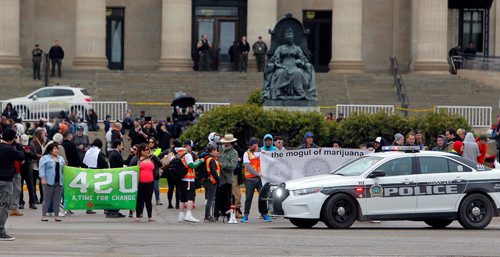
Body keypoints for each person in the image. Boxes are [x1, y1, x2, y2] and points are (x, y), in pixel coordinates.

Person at [262, 27, 316, 101]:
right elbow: (275, 60)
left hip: (295, 66)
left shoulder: (297, 48)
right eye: (287, 35)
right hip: (282, 66)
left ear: (293, 36)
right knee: (281, 73)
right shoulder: (280, 48)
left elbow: (304, 59)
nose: (289, 37)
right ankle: (278, 93)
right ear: (284, 37)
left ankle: (300, 92)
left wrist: (301, 63)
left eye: (290, 35)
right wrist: (281, 66)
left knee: (298, 73)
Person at [0, 129, 25, 241]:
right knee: (5, 206)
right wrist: (18, 144)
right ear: (12, 138)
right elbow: (21, 156)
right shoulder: (9, 149)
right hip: (5, 181)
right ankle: (1, 231)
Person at [241, 137, 271, 223]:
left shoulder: (262, 152)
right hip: (250, 179)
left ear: (256, 145)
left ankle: (264, 214)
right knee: (248, 197)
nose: (250, 146)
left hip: (260, 179)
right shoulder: (246, 154)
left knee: (263, 197)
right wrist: (257, 173)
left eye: (251, 145)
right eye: (249, 145)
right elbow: (248, 166)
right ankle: (246, 215)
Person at [130, 143, 161, 222]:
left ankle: (150, 216)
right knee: (140, 199)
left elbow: (160, 164)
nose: (146, 151)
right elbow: (130, 166)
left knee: (148, 200)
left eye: (148, 149)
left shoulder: (151, 158)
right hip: (140, 182)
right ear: (140, 151)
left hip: (150, 182)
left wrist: (154, 156)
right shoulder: (137, 158)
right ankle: (138, 216)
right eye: (144, 150)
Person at [177, 140, 204, 223]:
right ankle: (188, 215)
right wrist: (200, 161)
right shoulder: (187, 155)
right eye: (191, 146)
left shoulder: (179, 153)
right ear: (187, 146)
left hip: (182, 178)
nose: (192, 148)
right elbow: (192, 165)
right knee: (190, 197)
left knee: (182, 198)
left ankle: (181, 215)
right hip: (189, 179)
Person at [39, 142, 65, 222]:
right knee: (47, 199)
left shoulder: (60, 158)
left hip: (59, 181)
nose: (57, 150)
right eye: (55, 149)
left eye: (57, 149)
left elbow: (64, 169)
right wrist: (42, 177)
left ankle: (56, 215)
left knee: (57, 199)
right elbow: (42, 168)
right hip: (48, 181)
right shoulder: (45, 158)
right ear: (50, 150)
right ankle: (44, 215)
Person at [218, 134, 239, 219]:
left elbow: (233, 166)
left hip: (228, 178)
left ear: (231, 142)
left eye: (227, 142)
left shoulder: (234, 153)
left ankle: (228, 214)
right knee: (219, 196)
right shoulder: (220, 149)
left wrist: (222, 165)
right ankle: (220, 212)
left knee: (227, 197)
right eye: (225, 142)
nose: (225, 144)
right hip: (219, 177)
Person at [107, 140, 126, 218]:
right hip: (116, 177)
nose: (123, 147)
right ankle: (113, 210)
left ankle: (113, 210)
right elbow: (122, 163)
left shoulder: (112, 153)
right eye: (122, 145)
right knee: (116, 194)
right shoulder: (116, 154)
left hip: (114, 175)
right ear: (118, 145)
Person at [202, 144, 220, 223]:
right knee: (210, 199)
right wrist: (218, 180)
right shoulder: (211, 159)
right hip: (211, 181)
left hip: (206, 180)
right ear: (212, 151)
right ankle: (207, 216)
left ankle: (208, 215)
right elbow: (213, 171)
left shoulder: (206, 158)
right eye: (216, 150)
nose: (217, 152)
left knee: (209, 199)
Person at [19, 134, 37, 210]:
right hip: (20, 169)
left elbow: (34, 156)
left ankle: (32, 202)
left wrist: (28, 152)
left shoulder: (31, 146)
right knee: (20, 187)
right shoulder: (18, 145)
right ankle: (21, 202)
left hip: (28, 168)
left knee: (31, 186)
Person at [31, 128, 46, 204]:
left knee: (42, 182)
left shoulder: (43, 142)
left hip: (41, 165)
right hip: (35, 165)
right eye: (43, 133)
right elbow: (32, 153)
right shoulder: (34, 142)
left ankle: (42, 198)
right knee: (33, 182)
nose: (44, 135)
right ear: (39, 134)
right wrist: (39, 156)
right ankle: (34, 198)